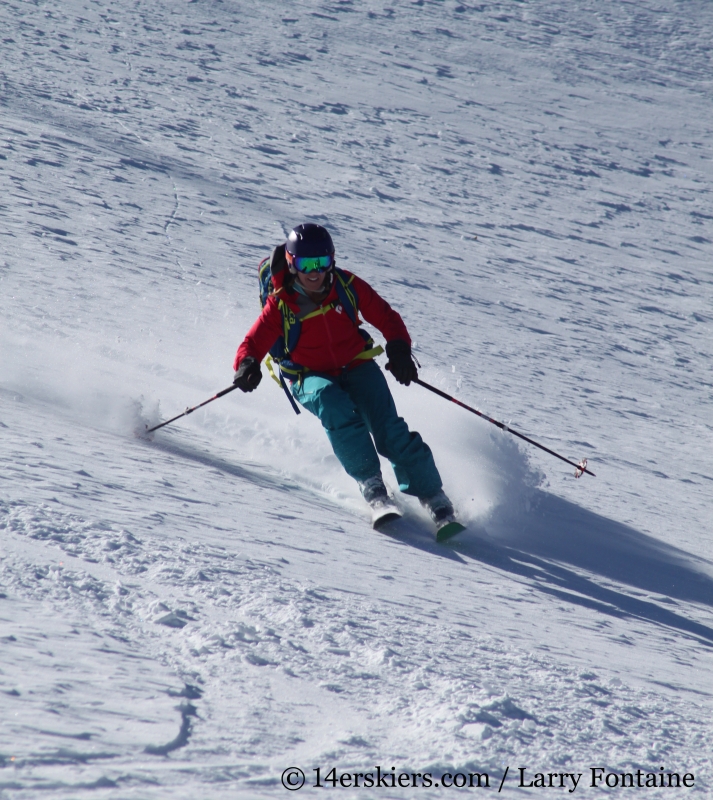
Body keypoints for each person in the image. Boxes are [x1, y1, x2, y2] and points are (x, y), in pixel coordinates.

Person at [232, 222, 456, 530]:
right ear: (292, 264)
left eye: (321, 262)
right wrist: (246, 365)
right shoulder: (281, 302)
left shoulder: (346, 285)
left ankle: (433, 496)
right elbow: (252, 344)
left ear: (331, 260)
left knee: (388, 428)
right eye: (305, 264)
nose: (315, 272)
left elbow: (385, 316)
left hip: (356, 364)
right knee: (333, 404)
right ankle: (372, 486)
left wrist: (400, 350)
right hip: (308, 374)